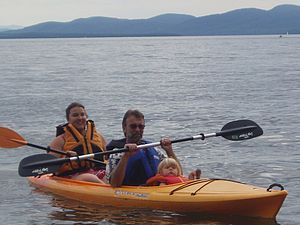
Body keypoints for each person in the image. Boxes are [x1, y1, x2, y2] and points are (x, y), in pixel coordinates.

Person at [105, 109, 183, 187]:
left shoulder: (154, 150)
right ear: (124, 127)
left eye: (141, 127)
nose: (138, 130)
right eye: (133, 126)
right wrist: (125, 156)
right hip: (132, 192)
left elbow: (179, 173)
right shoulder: (116, 153)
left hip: (155, 191)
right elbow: (114, 184)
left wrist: (169, 151)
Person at [49, 102, 107, 183]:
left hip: (98, 172)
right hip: (72, 177)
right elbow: (50, 166)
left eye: (82, 115)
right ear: (68, 119)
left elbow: (107, 158)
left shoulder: (99, 137)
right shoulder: (60, 140)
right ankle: (109, 192)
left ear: (86, 117)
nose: (80, 118)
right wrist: (66, 158)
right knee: (89, 178)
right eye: (75, 115)